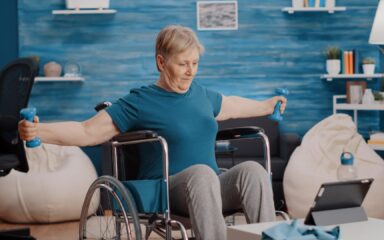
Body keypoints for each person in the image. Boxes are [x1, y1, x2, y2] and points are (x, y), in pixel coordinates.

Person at [19, 25, 286, 240]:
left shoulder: (202, 95)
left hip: (211, 185)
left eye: (195, 63)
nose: (191, 71)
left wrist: (266, 105)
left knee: (252, 170)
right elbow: (88, 131)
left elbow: (231, 104)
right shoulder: (140, 101)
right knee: (202, 174)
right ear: (161, 61)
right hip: (166, 189)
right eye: (183, 64)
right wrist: (38, 130)